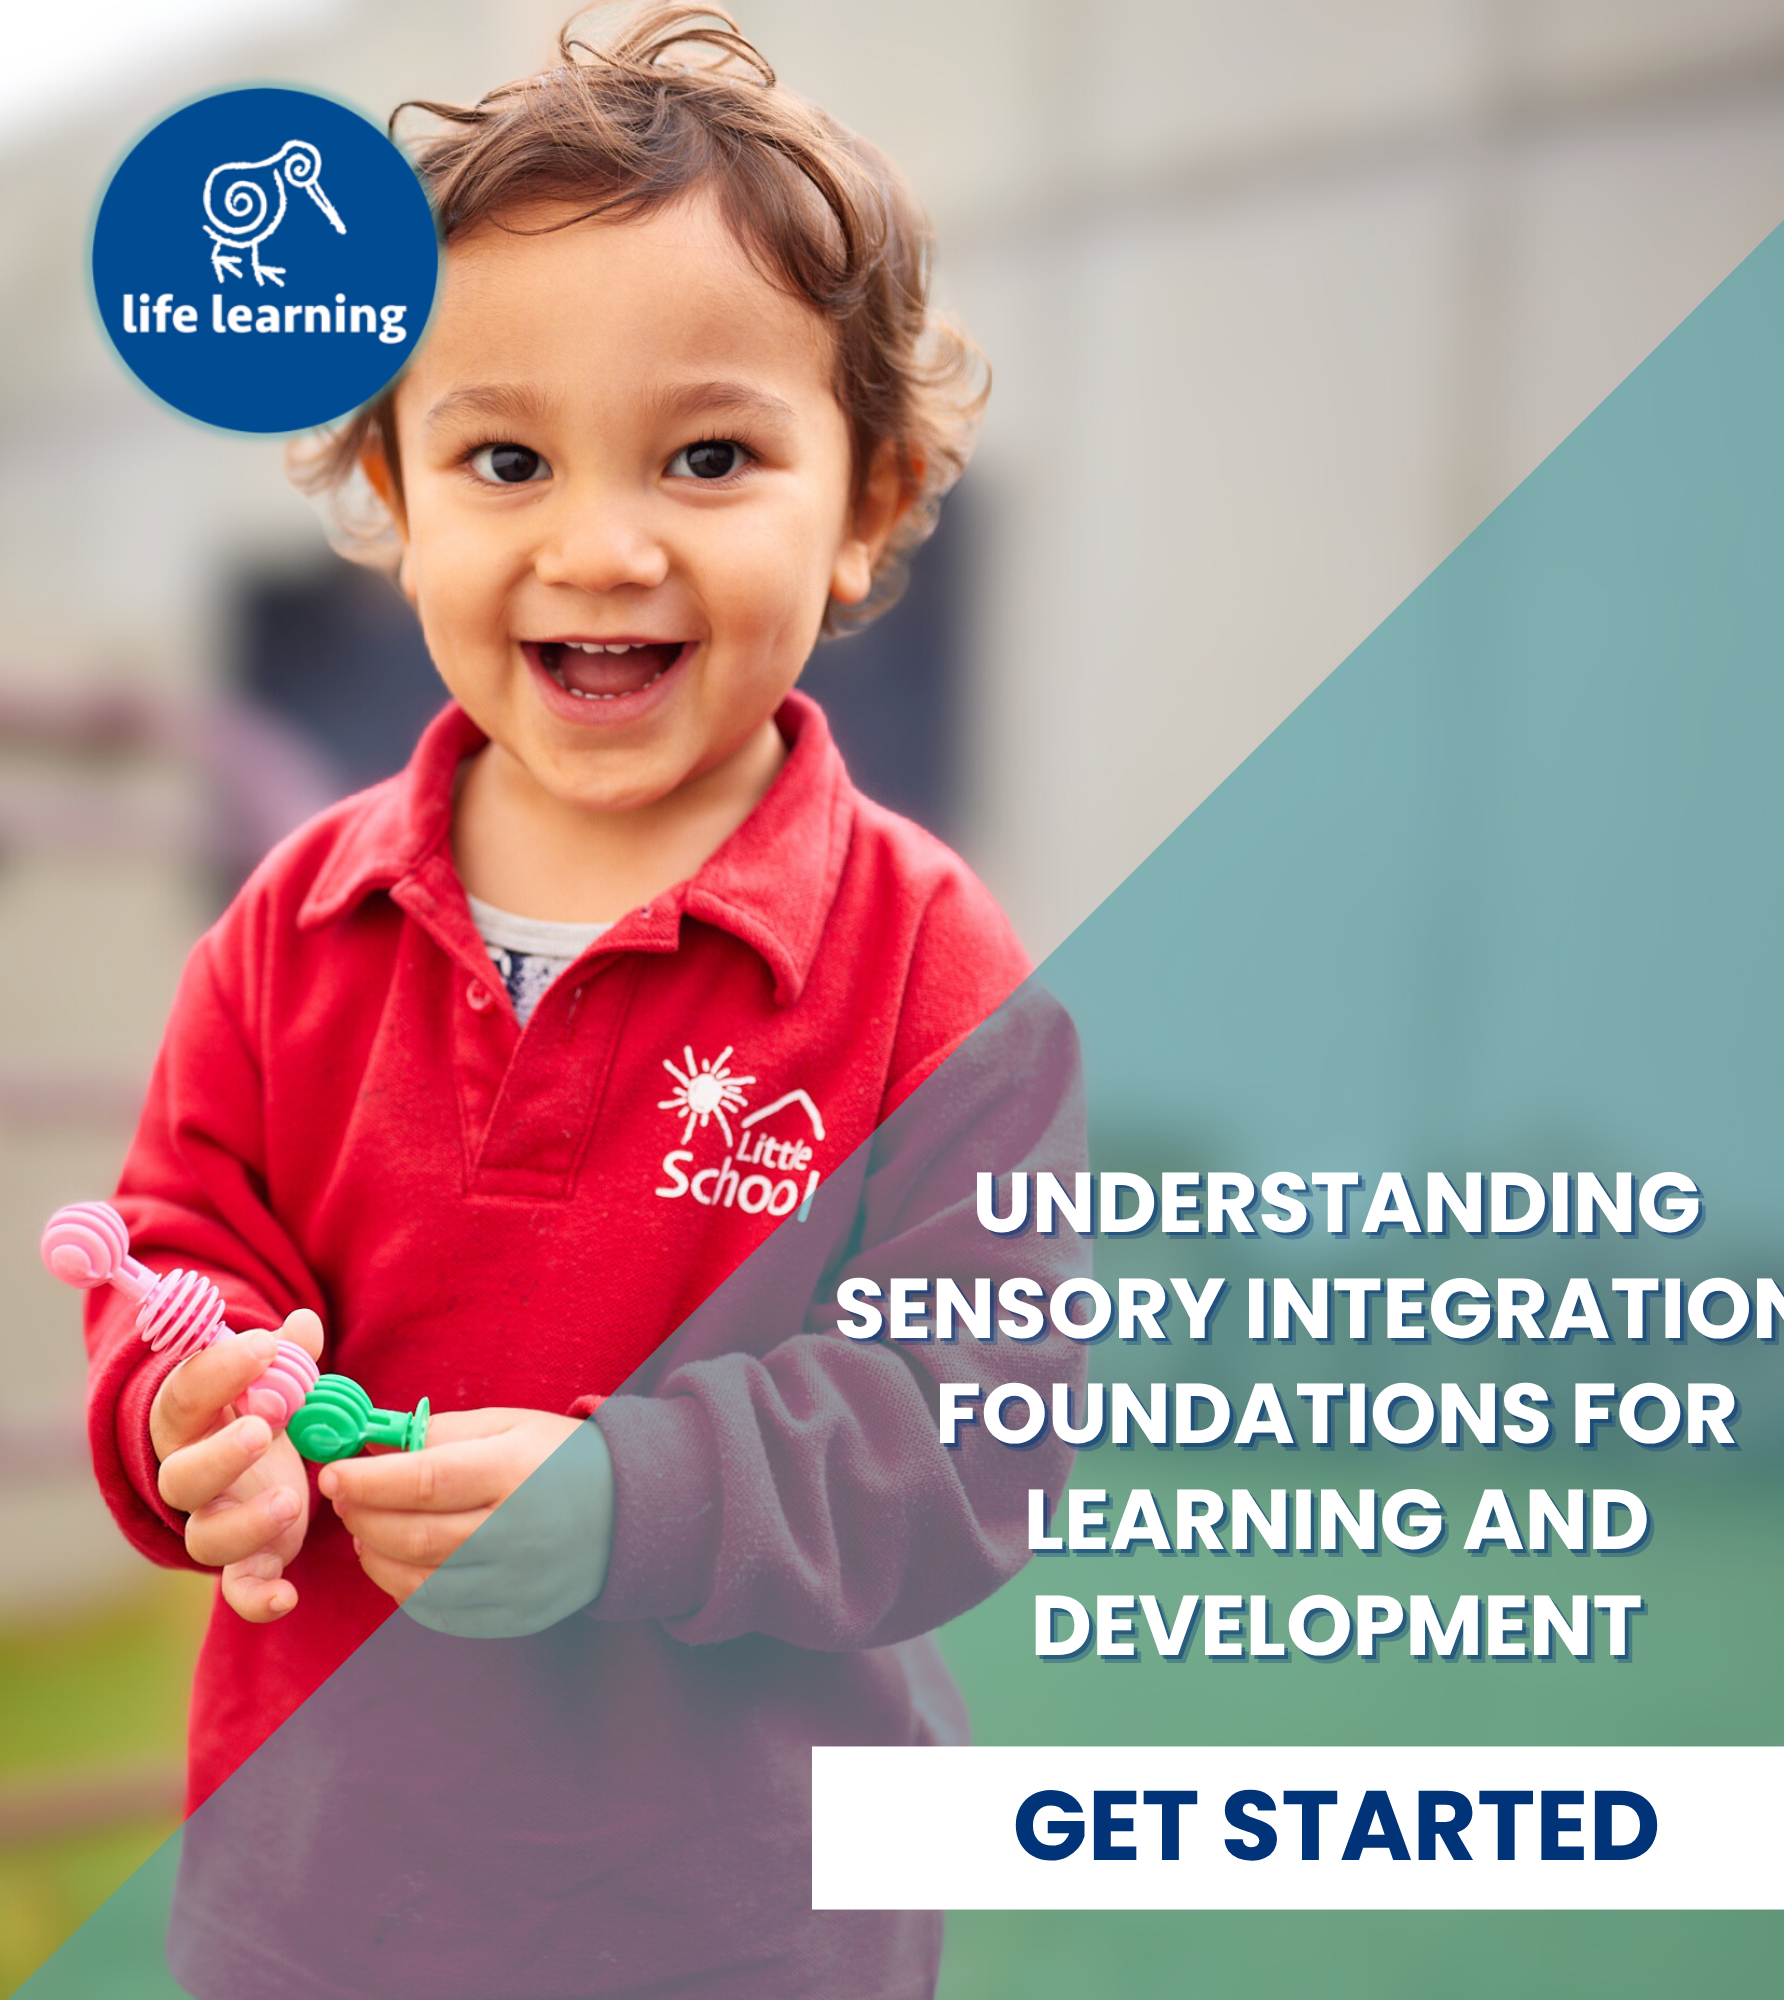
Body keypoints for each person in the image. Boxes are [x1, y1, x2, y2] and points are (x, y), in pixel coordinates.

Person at [78, 10, 1085, 1994]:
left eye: (710, 455)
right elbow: (168, 1252)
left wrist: (633, 1498)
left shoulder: (937, 975)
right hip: (314, 1917)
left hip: (738, 1933)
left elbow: (972, 1437)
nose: (599, 543)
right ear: (395, 490)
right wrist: (181, 1415)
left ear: (868, 497)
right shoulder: (288, 934)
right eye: (505, 458)